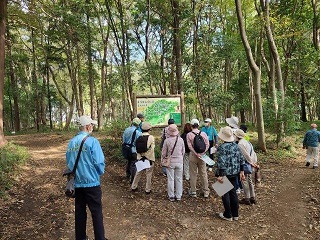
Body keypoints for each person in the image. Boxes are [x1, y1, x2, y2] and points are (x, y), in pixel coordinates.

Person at [66, 116, 107, 240]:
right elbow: (99, 162)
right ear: (88, 126)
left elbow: (69, 162)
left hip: (77, 184)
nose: (92, 127)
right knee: (96, 213)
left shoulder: (71, 142)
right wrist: (98, 173)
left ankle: (81, 237)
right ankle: (100, 238)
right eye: (92, 125)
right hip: (92, 183)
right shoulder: (93, 141)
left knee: (79, 212)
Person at [216, 126, 245, 221]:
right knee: (233, 192)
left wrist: (221, 175)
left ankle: (228, 214)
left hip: (225, 173)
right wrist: (241, 170)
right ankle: (235, 214)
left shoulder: (222, 147)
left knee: (225, 193)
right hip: (235, 172)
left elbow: (221, 162)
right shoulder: (236, 146)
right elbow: (241, 159)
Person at [186, 119, 210, 198]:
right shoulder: (203, 133)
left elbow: (189, 146)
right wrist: (202, 153)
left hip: (193, 156)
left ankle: (193, 191)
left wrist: (196, 153)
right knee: (203, 173)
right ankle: (206, 191)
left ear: (191, 126)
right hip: (203, 157)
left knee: (193, 174)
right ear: (198, 125)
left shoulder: (189, 134)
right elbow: (207, 144)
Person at [161, 124, 185, 201]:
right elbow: (183, 151)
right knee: (179, 179)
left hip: (170, 162)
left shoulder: (167, 141)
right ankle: (179, 195)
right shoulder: (181, 140)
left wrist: (163, 159)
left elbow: (164, 153)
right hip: (180, 161)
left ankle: (171, 196)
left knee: (170, 179)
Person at [234, 129, 258, 205]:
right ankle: (252, 197)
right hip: (250, 164)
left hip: (245, 164)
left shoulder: (240, 144)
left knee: (244, 181)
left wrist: (251, 163)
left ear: (237, 136)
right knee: (249, 181)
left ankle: (247, 198)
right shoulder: (247, 142)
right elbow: (253, 153)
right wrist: (254, 162)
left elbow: (245, 155)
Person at [131, 122, 156, 194]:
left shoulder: (139, 137)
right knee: (148, 174)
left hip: (140, 158)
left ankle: (133, 186)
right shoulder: (151, 137)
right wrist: (146, 157)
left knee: (138, 172)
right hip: (149, 159)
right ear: (149, 129)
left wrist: (141, 157)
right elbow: (152, 149)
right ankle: (147, 189)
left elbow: (137, 149)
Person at [122, 117, 142, 183]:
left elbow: (123, 139)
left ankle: (128, 175)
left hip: (126, 149)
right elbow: (139, 142)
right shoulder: (138, 132)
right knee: (134, 164)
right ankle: (133, 180)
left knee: (129, 161)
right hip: (133, 150)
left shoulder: (126, 129)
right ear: (138, 124)